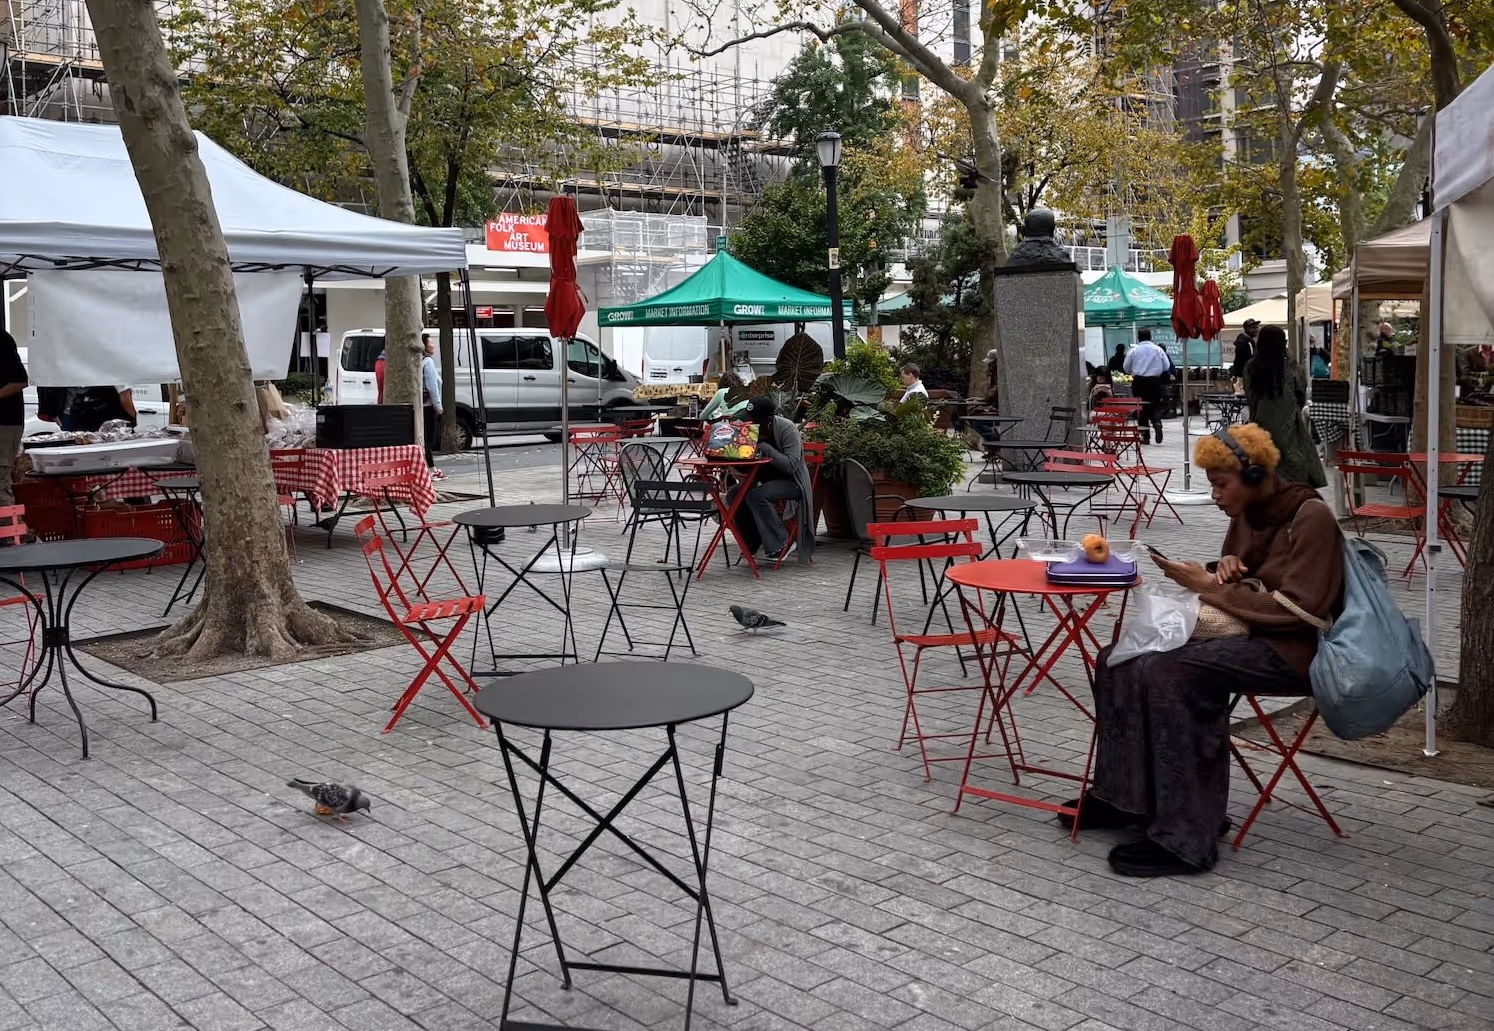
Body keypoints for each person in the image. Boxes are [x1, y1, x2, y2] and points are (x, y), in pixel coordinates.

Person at [1067, 424, 1344, 876]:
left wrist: (1209, 588)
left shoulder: (1311, 517)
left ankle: (1187, 835)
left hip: (1291, 651)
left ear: (1255, 477)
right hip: (1244, 634)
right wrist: (1221, 572)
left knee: (1172, 674)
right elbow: (1245, 584)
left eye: (1220, 484)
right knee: (1117, 659)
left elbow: (1302, 612)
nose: (1214, 495)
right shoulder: (1247, 514)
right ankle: (1123, 797)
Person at [731, 397, 815, 565]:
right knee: (734, 494)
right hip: (764, 480)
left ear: (768, 421)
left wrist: (765, 448)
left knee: (756, 496)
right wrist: (732, 456)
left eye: (753, 421)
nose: (749, 424)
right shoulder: (750, 431)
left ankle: (781, 544)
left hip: (792, 482)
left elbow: (791, 465)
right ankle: (753, 542)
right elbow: (746, 468)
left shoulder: (787, 429)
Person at [1243, 325, 1326, 488]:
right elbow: (1300, 389)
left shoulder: (1251, 366)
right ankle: (1292, 495)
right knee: (1293, 461)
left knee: (1266, 462)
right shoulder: (1289, 366)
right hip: (1288, 421)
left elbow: (1250, 396)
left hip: (1262, 421)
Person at [1122, 329, 1171, 444]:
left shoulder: (1134, 351)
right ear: (1150, 337)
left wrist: (1134, 370)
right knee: (1154, 405)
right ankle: (1157, 422)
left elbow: (1126, 368)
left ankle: (1145, 436)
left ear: (1139, 338)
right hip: (1155, 382)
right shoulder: (1158, 350)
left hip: (1139, 381)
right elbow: (1166, 366)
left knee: (1141, 408)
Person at [0, 329, 26, 521]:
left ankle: (10, 534)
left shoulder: (1, 339)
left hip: (5, 422)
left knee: (0, 482)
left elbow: (20, 381)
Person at [64, 386, 135, 432]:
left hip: (73, 413)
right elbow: (126, 402)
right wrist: (136, 419)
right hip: (101, 419)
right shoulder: (118, 371)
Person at [420, 332, 442, 471]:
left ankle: (431, 467)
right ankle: (430, 469)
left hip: (421, 404)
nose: (433, 345)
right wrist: (438, 405)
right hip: (428, 405)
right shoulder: (428, 362)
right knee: (429, 438)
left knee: (425, 437)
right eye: (430, 342)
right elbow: (432, 385)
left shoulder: (419, 361)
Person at [1229, 318, 1259, 392]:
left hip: (1242, 375)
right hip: (1244, 376)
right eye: (1253, 328)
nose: (1256, 330)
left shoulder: (1245, 341)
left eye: (1256, 327)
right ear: (1246, 329)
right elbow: (1251, 359)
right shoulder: (1246, 342)